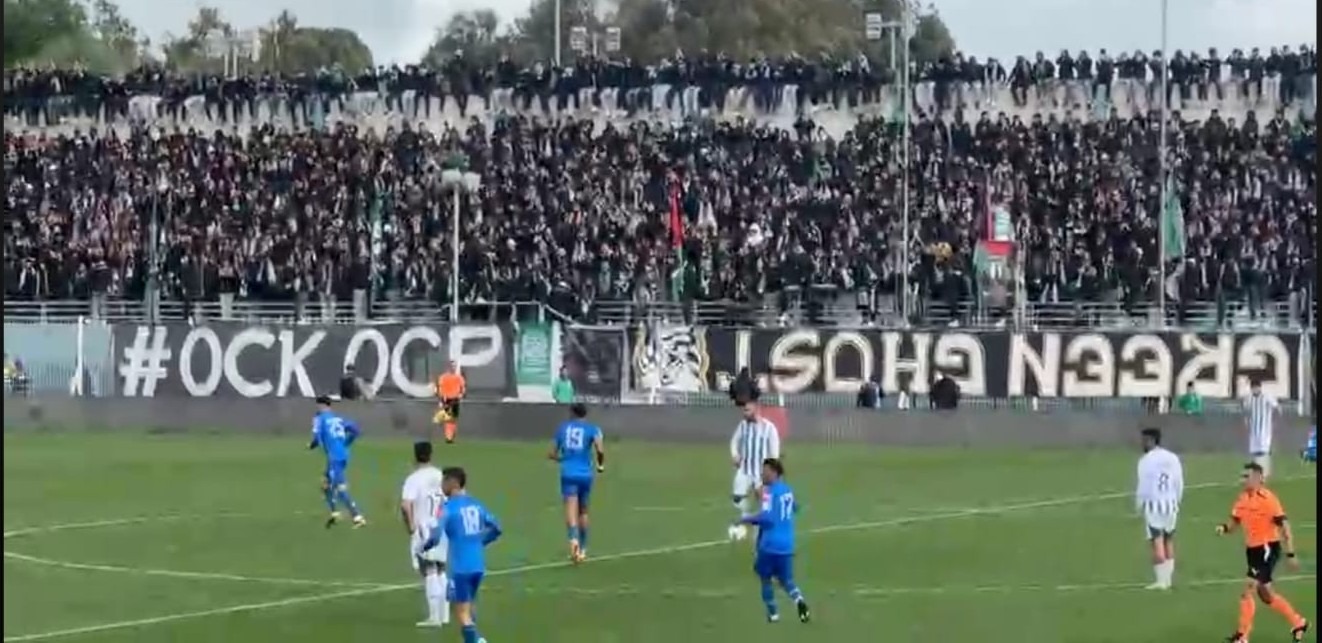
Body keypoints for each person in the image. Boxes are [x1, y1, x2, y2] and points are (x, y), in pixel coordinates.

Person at [1216, 462, 1310, 642]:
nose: (1243, 480)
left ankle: (1242, 636)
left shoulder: (1268, 499)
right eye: (1242, 476)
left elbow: (1284, 525)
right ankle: (1298, 622)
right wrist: (1224, 528)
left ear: (1258, 478)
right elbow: (1235, 520)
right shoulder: (1242, 498)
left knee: (1249, 589)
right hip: (1252, 550)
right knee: (1265, 594)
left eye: (1246, 476)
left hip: (1267, 548)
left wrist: (1291, 553)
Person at [418, 467, 502, 643]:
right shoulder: (477, 504)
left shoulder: (447, 508)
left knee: (461, 612)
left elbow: (435, 535)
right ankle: (473, 639)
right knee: (468, 606)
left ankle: (477, 641)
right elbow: (496, 528)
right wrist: (480, 542)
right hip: (478, 564)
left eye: (444, 481)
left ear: (453, 483)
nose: (441, 486)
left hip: (461, 567)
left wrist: (424, 547)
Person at [733, 458, 811, 624]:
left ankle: (773, 614)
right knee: (786, 580)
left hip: (770, 545)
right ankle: (799, 600)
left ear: (775, 473)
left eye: (765, 471)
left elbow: (767, 519)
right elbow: (795, 507)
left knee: (765, 578)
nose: (762, 474)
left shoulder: (768, 493)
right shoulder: (788, 490)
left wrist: (745, 519)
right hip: (787, 545)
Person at [548, 403, 605, 563]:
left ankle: (573, 540)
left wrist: (561, 459)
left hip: (568, 473)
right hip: (585, 474)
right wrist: (600, 465)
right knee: (583, 511)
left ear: (572, 413)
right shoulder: (593, 429)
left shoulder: (563, 428)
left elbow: (552, 453)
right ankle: (583, 549)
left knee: (570, 509)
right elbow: (600, 449)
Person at [400, 441, 448, 628]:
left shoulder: (414, 479)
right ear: (431, 454)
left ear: (415, 455)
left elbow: (406, 505)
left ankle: (434, 618)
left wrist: (411, 525)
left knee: (429, 569)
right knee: (441, 568)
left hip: (424, 528)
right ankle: (444, 615)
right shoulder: (441, 475)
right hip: (441, 526)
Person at [1135, 428, 1184, 590]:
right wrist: (1177, 500)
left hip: (1154, 505)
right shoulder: (1172, 457)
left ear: (1151, 440)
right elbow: (1179, 481)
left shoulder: (1145, 461)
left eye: (1144, 440)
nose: (1142, 443)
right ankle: (1168, 580)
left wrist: (1139, 505)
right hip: (1171, 504)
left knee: (1156, 540)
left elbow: (1143, 486)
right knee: (1168, 539)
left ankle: (1161, 581)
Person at [308, 396, 366, 528]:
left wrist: (310, 446)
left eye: (318, 405)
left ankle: (358, 517)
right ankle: (335, 513)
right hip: (342, 454)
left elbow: (316, 438)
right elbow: (356, 431)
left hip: (335, 457)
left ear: (322, 405)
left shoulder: (319, 419)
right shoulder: (338, 418)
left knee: (340, 488)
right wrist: (346, 443)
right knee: (325, 484)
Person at [730, 401, 781, 524]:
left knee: (764, 501)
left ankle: (765, 522)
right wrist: (735, 455)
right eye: (744, 410)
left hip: (761, 473)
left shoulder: (769, 428)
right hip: (745, 470)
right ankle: (745, 518)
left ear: (756, 410)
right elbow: (734, 441)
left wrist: (770, 471)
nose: (744, 413)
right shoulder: (743, 425)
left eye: (747, 410)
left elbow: (774, 452)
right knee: (737, 498)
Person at [1242, 378, 1280, 477]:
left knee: (1264, 450)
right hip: (1253, 430)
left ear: (1260, 387)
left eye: (1256, 387)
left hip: (1265, 430)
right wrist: (1246, 421)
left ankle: (1265, 471)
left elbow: (1276, 408)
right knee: (1254, 451)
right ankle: (1256, 472)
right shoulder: (1248, 399)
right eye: (1253, 388)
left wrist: (1275, 421)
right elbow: (1246, 411)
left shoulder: (1267, 397)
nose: (1255, 389)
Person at [435, 362, 467, 444]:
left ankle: (451, 435)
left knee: (453, 419)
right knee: (448, 419)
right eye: (452, 366)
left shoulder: (459, 378)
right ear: (448, 367)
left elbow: (463, 388)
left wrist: (461, 395)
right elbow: (440, 389)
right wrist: (441, 400)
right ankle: (448, 437)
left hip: (455, 399)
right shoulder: (443, 377)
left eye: (454, 366)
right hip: (446, 399)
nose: (453, 368)